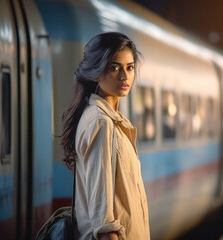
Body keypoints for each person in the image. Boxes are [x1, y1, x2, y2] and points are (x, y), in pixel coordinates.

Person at [60, 32, 150, 240]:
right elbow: (103, 221)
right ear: (96, 73)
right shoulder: (101, 123)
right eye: (114, 67)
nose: (124, 76)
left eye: (129, 67)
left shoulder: (110, 120)